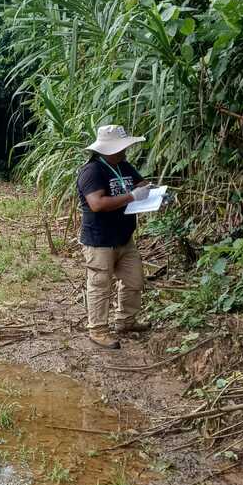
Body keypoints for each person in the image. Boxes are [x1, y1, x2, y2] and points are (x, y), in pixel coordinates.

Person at [76, 125, 151, 349]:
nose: (125, 151)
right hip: (100, 241)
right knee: (100, 285)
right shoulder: (92, 172)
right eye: (121, 147)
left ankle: (126, 321)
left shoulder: (122, 165)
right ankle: (98, 330)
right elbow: (97, 204)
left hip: (124, 237)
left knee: (133, 280)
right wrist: (131, 197)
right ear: (106, 150)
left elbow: (140, 184)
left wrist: (151, 192)